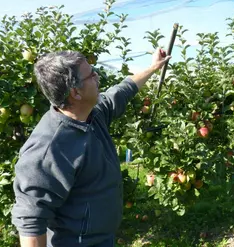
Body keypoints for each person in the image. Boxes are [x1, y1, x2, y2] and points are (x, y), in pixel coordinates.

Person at [11, 48, 171, 247]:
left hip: (102, 239)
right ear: (75, 92)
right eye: (91, 74)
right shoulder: (50, 148)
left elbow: (122, 90)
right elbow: (31, 220)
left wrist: (153, 67)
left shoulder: (93, 114)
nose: (97, 76)